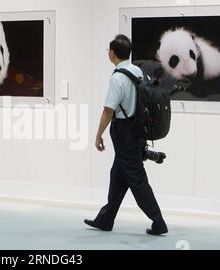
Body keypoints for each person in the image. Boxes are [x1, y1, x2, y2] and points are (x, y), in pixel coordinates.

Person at [84, 35, 168, 236]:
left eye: (108, 50)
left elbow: (108, 110)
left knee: (137, 180)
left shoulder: (117, 78)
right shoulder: (137, 71)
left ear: (112, 52)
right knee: (118, 175)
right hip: (138, 129)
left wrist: (98, 135)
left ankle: (158, 221)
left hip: (124, 131)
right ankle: (105, 218)